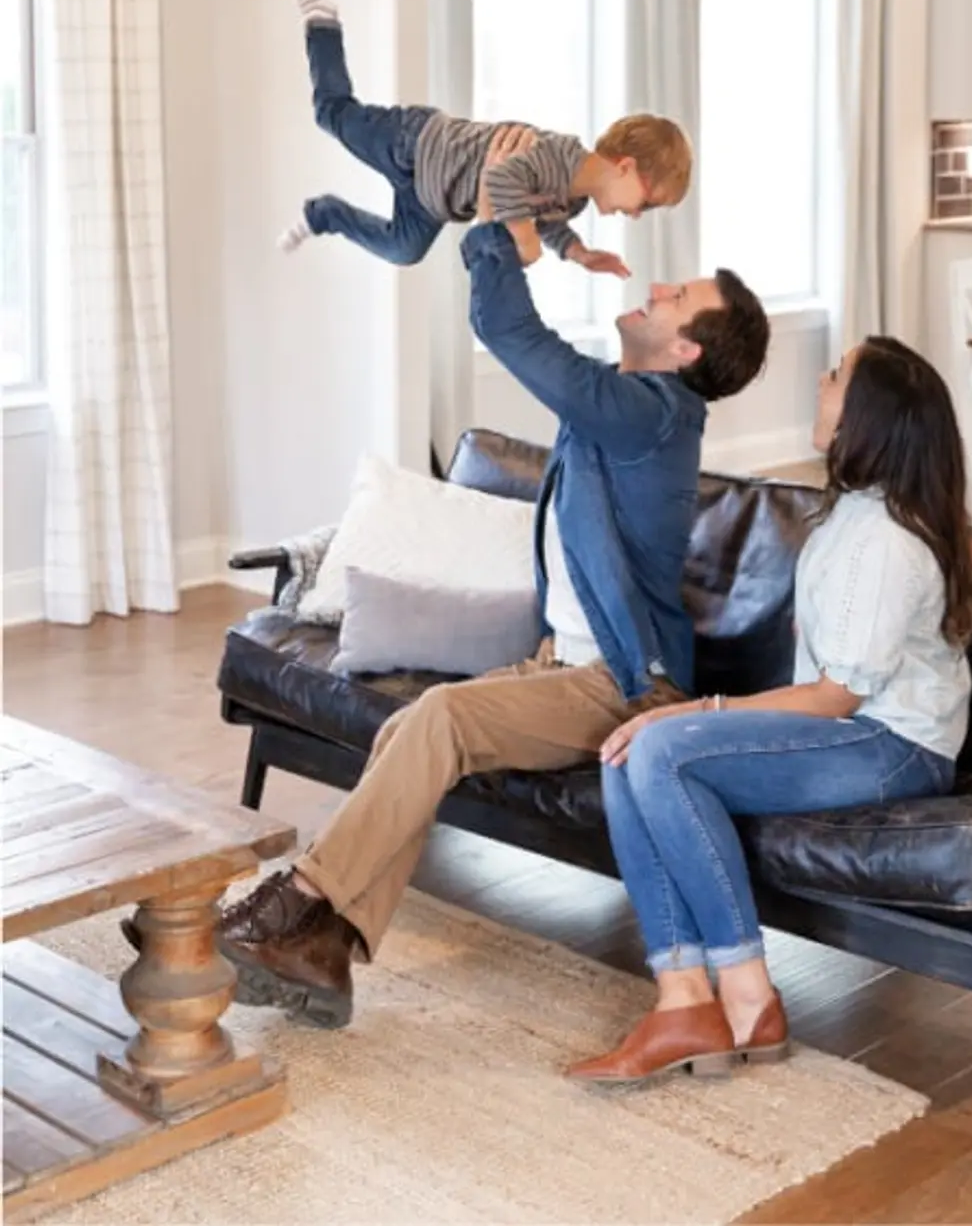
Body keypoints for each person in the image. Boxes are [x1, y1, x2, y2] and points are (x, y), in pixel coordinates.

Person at [126, 129, 770, 1029]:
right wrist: (526, 207)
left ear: (688, 350)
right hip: (564, 665)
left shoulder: (651, 416)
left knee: (435, 718)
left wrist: (489, 218)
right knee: (407, 734)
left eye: (677, 296)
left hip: (628, 689)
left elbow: (509, 328)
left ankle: (292, 903)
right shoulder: (628, 406)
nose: (656, 287)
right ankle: (325, 953)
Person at [565, 336, 972, 1085]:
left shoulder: (887, 538)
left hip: (894, 746)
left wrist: (700, 709)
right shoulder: (854, 513)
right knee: (627, 749)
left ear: (868, 415)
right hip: (852, 731)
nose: (818, 383)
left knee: (660, 745)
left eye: (835, 376)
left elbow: (837, 694)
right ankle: (684, 994)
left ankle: (748, 995)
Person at [277, 0, 691, 277]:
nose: (638, 215)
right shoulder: (558, 156)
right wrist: (523, 238)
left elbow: (547, 222)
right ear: (626, 166)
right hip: (418, 145)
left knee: (404, 251)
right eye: (647, 203)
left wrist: (578, 252)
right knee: (331, 114)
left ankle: (324, 214)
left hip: (432, 200)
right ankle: (322, 24)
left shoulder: (575, 199)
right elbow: (502, 179)